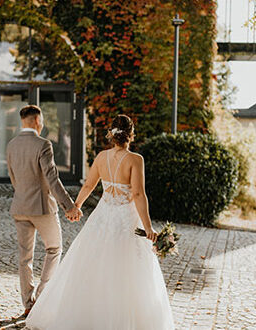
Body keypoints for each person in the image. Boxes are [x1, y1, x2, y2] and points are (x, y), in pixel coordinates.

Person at [26, 114, 175, 329]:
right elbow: (139, 195)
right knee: (128, 269)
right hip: (127, 218)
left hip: (103, 216)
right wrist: (148, 227)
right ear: (131, 135)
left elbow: (88, 186)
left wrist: (75, 206)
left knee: (93, 263)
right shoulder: (135, 160)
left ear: (111, 135)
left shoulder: (101, 157)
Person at [6, 105, 82, 317]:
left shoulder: (11, 145)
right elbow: (52, 179)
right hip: (42, 208)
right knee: (54, 248)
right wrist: (70, 206)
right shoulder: (43, 144)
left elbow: (13, 179)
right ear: (37, 122)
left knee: (24, 258)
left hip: (20, 207)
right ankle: (41, 298)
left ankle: (28, 303)